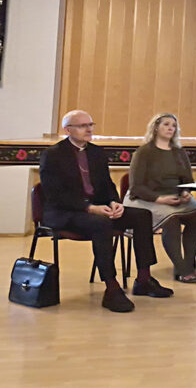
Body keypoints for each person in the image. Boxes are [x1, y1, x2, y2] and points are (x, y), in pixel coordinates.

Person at [39, 110, 173, 313]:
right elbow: (54, 194)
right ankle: (111, 287)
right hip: (65, 212)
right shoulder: (53, 155)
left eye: (90, 125)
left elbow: (107, 185)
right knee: (101, 224)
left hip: (97, 208)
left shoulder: (96, 153)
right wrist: (90, 208)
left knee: (142, 215)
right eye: (83, 126)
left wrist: (114, 203)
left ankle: (144, 279)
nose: (89, 129)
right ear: (68, 130)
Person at [123, 113, 196, 283]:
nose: (170, 128)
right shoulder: (144, 152)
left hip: (175, 195)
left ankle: (188, 264)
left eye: (173, 125)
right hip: (147, 198)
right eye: (166, 124)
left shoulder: (179, 152)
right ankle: (182, 269)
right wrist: (160, 199)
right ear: (156, 127)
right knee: (171, 219)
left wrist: (185, 192)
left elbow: (188, 180)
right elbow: (136, 186)